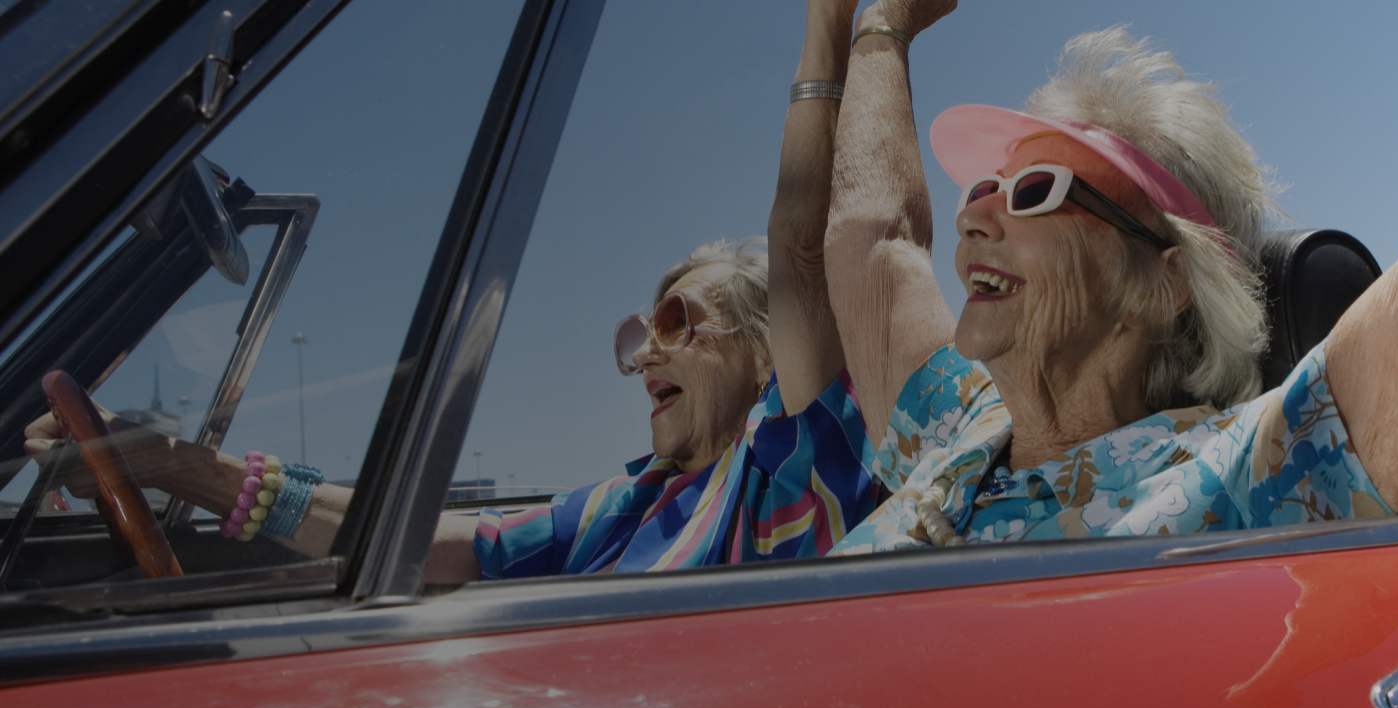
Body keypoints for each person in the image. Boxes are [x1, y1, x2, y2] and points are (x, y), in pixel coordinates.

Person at [816, 0, 1398, 552]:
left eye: (1036, 191)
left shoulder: (1240, 476)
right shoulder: (955, 421)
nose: (977, 211)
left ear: (1162, 283)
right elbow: (874, 237)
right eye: (983, 186)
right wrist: (879, 26)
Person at [23, 0, 878, 581]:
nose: (643, 354)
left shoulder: (795, 469)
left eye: (677, 321)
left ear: (767, 354)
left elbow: (800, 249)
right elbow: (452, 545)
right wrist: (184, 470)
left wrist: (829, 30)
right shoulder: (631, 503)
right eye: (639, 331)